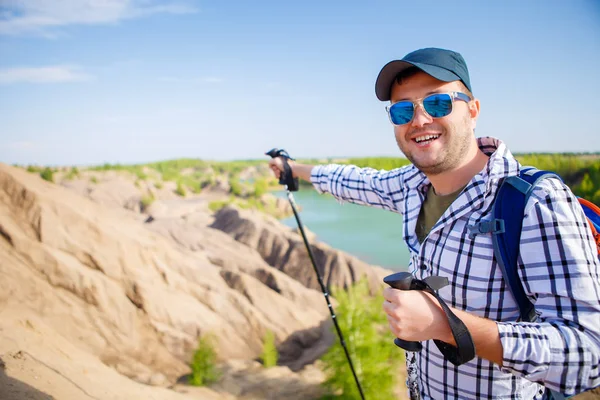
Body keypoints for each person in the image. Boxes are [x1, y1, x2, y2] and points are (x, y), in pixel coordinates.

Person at [269, 47, 600, 399]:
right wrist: (294, 170)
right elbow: (353, 180)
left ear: (473, 111)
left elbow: (588, 353)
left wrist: (447, 326)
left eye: (438, 103)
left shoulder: (535, 202)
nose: (420, 119)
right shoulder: (412, 185)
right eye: (402, 110)